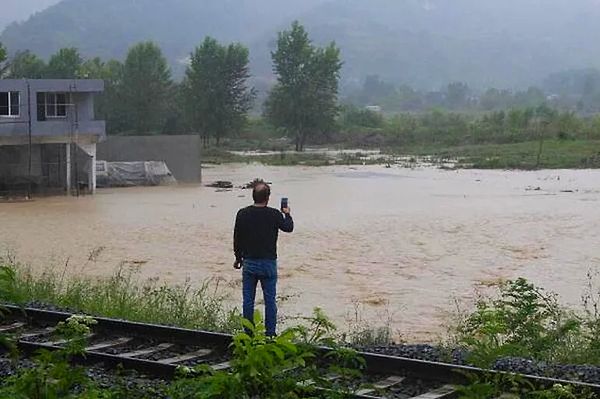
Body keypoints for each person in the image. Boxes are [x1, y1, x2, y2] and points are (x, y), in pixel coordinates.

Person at [233, 181, 293, 337]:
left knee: (248, 301)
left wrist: (237, 258)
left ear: (253, 196)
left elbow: (237, 238)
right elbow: (289, 227)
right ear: (267, 198)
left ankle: (248, 334)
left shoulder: (242, 213)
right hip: (268, 263)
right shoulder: (274, 214)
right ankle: (270, 335)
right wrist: (286, 213)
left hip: (249, 262)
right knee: (270, 301)